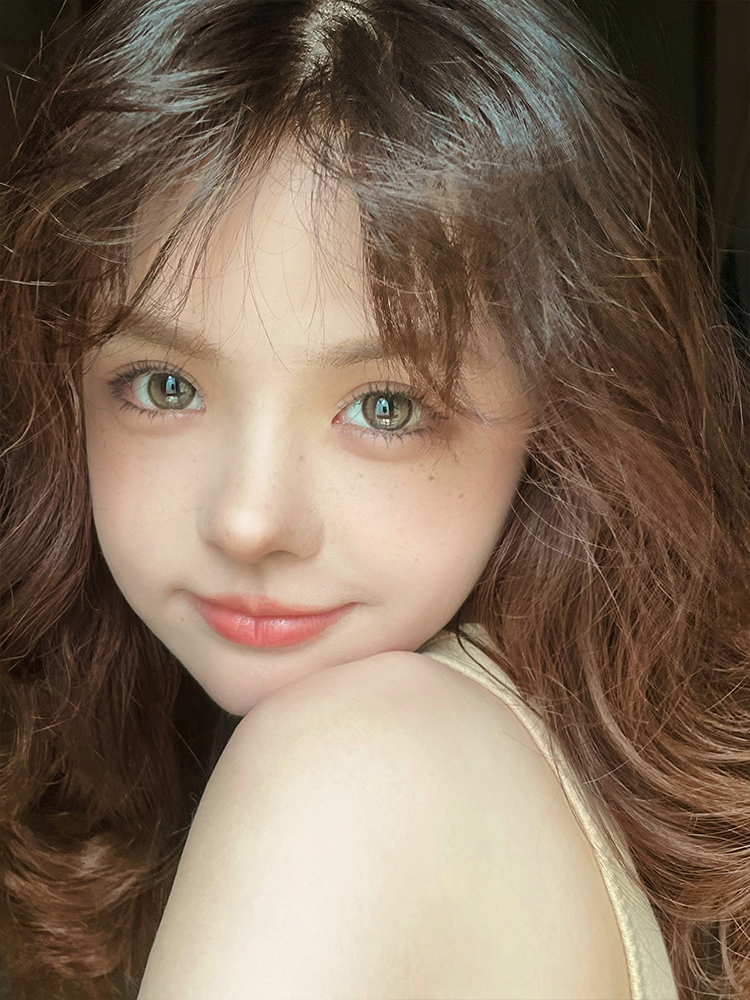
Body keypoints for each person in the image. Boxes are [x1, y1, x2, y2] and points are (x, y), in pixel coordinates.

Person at [1, 0, 748, 997]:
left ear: (563, 403)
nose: (249, 520)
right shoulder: (536, 745)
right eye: (166, 386)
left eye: (385, 405)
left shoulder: (347, 771)